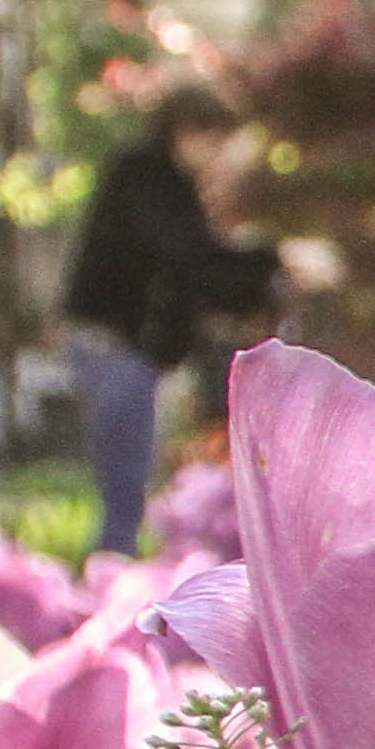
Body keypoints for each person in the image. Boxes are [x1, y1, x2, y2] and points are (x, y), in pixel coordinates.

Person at [61, 86, 283, 558]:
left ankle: (112, 570)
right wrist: (273, 264)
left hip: (119, 344)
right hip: (113, 344)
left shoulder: (153, 181)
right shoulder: (149, 179)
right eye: (216, 146)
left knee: (128, 485)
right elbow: (190, 259)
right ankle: (108, 581)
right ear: (190, 132)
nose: (217, 163)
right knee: (125, 487)